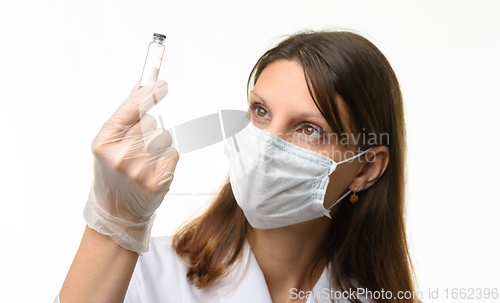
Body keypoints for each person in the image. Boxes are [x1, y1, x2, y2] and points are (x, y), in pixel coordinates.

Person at [54, 30, 418, 303]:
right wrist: (113, 225)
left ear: (365, 169)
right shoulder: (146, 277)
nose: (267, 145)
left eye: (309, 129)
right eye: (261, 112)